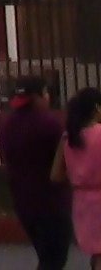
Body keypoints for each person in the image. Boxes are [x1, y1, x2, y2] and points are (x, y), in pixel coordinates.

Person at [0, 76, 72, 270]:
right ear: (38, 97)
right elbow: (65, 158)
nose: (48, 98)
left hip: (24, 203)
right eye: (46, 93)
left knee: (46, 257)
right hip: (52, 203)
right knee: (55, 259)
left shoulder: (9, 125)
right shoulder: (49, 124)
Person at [53, 86, 101, 269]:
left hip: (82, 203)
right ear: (97, 108)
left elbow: (56, 175)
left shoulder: (68, 137)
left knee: (96, 251)